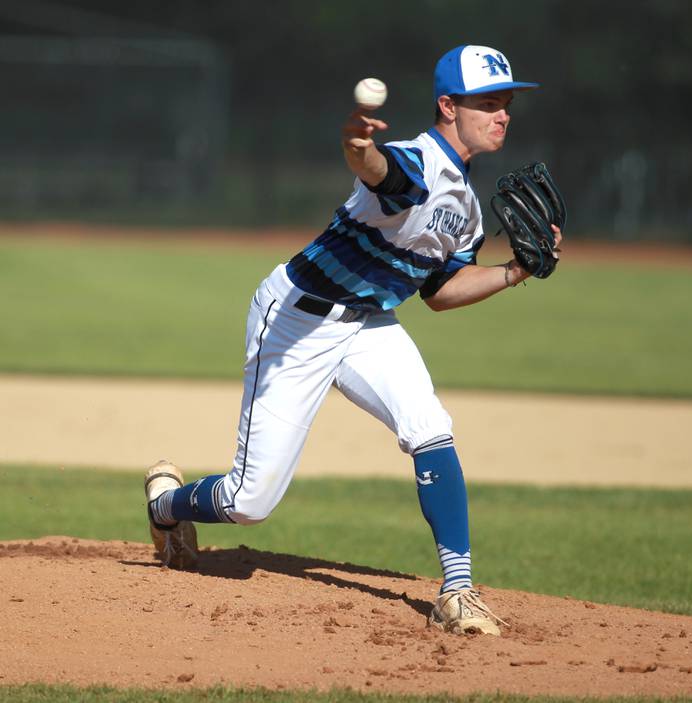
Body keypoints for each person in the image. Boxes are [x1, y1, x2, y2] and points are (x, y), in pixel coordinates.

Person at [144, 44, 562, 637]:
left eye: (506, 103)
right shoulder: (415, 164)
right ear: (448, 106)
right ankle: (165, 506)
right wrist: (358, 145)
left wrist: (512, 272)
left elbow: (440, 293)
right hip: (296, 320)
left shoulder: (466, 207)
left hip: (368, 324)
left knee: (430, 426)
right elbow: (378, 171)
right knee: (249, 502)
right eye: (488, 103)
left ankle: (458, 591)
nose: (503, 114)